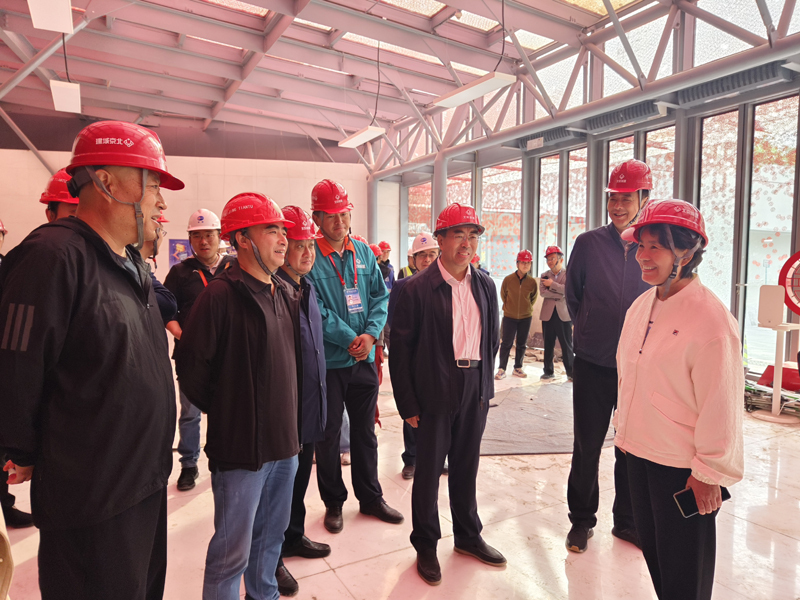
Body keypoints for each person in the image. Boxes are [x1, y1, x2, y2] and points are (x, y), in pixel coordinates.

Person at [0, 120, 182, 599]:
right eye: (152, 185)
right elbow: (15, 366)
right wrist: (20, 449)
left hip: (143, 485)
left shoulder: (129, 262)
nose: (161, 202)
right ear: (105, 182)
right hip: (93, 501)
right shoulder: (52, 257)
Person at [175, 193, 301, 600]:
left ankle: (264, 595)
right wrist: (232, 411)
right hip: (240, 453)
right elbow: (191, 368)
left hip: (284, 447)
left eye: (283, 230)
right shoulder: (220, 295)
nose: (283, 239)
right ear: (242, 239)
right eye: (271, 230)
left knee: (271, 541)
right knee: (231, 555)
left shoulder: (284, 292)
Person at [616, 199, 743, 600]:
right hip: (638, 453)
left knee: (685, 574)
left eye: (656, 247)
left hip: (681, 466)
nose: (643, 256)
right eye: (641, 246)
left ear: (687, 252)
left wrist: (709, 474)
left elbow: (722, 404)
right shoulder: (642, 305)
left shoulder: (711, 321)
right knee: (657, 558)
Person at [390, 203, 504, 586]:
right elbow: (400, 351)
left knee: (466, 465)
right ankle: (425, 543)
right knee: (428, 472)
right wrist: (408, 403)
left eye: (473, 236)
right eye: (458, 235)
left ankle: (468, 535)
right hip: (434, 388)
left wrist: (485, 388)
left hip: (474, 387)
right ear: (440, 239)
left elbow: (492, 340)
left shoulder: (485, 285)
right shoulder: (416, 289)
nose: (466, 243)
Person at [564, 158, 652, 553]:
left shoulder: (652, 244)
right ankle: (581, 520)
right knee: (587, 445)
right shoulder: (588, 244)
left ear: (643, 198)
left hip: (637, 366)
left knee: (631, 446)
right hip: (593, 363)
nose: (617, 206)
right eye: (613, 198)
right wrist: (589, 332)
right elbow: (573, 296)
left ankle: (628, 521)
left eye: (626, 198)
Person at [306, 179, 403, 534]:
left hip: (364, 360)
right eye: (331, 215)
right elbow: (314, 307)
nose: (339, 221)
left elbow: (380, 296)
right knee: (329, 434)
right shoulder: (310, 255)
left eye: (344, 214)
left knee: (365, 433)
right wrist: (350, 338)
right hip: (331, 363)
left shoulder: (362, 252)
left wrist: (371, 335)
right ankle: (333, 502)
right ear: (317, 218)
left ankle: (371, 497)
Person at [272, 205, 330, 597]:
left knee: (299, 480)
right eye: (299, 244)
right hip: (285, 410)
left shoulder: (305, 287)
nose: (308, 252)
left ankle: (293, 535)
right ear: (282, 247)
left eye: (311, 244)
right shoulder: (275, 291)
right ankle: (271, 556)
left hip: (308, 404)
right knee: (278, 488)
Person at [164, 209, 235, 492]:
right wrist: (185, 336)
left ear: (220, 237)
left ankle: (226, 459)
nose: (203, 241)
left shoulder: (234, 266)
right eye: (197, 236)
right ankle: (189, 464)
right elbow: (167, 311)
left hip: (228, 356)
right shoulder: (180, 272)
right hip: (191, 357)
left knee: (228, 410)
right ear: (190, 239)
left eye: (208, 235)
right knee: (190, 413)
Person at [387, 232, 439, 480]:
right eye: (422, 255)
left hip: (439, 360)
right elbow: (394, 323)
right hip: (413, 359)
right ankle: (411, 458)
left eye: (432, 255)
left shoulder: (447, 285)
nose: (427, 260)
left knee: (439, 412)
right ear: (413, 260)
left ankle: (437, 458)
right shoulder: (402, 286)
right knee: (412, 410)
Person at [495, 250, 538, 380]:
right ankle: (502, 369)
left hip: (525, 317)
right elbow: (504, 296)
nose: (525, 265)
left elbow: (533, 298)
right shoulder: (508, 280)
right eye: (523, 262)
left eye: (528, 263)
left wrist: (526, 309)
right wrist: (511, 308)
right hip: (509, 317)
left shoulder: (532, 282)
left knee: (522, 344)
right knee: (506, 343)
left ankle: (518, 367)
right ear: (517, 263)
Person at [539, 245, 574, 381]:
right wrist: (560, 294)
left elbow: (568, 290)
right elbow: (543, 293)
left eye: (552, 258)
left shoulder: (568, 274)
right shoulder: (544, 275)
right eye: (548, 259)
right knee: (548, 344)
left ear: (561, 259)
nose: (550, 262)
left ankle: (571, 372)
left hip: (563, 314)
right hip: (548, 314)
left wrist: (552, 285)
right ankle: (548, 371)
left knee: (566, 344)